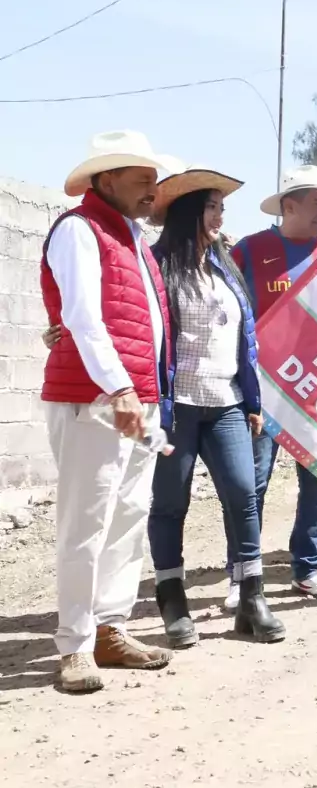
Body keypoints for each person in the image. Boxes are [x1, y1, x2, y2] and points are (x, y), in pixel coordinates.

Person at [39, 131, 175, 692]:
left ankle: (109, 628)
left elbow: (147, 325)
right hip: (92, 398)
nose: (152, 190)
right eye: (142, 180)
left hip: (134, 395)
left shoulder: (133, 240)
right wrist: (119, 389)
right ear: (106, 180)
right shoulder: (78, 230)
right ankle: (74, 644)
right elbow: (85, 318)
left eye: (153, 180)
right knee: (86, 522)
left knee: (127, 517)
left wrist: (144, 394)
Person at [146, 166, 284, 646]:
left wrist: (251, 399)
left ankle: (252, 597)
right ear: (188, 213)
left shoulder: (223, 265)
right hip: (175, 407)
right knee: (170, 503)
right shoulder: (157, 266)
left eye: (222, 207)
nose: (221, 216)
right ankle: (172, 599)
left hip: (225, 402)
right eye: (212, 206)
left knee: (243, 494)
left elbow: (243, 339)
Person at [231, 165, 317, 603]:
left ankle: (308, 569)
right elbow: (228, 314)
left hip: (316, 388)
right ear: (289, 206)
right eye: (316, 203)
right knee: (253, 482)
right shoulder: (248, 251)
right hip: (262, 391)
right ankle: (243, 576)